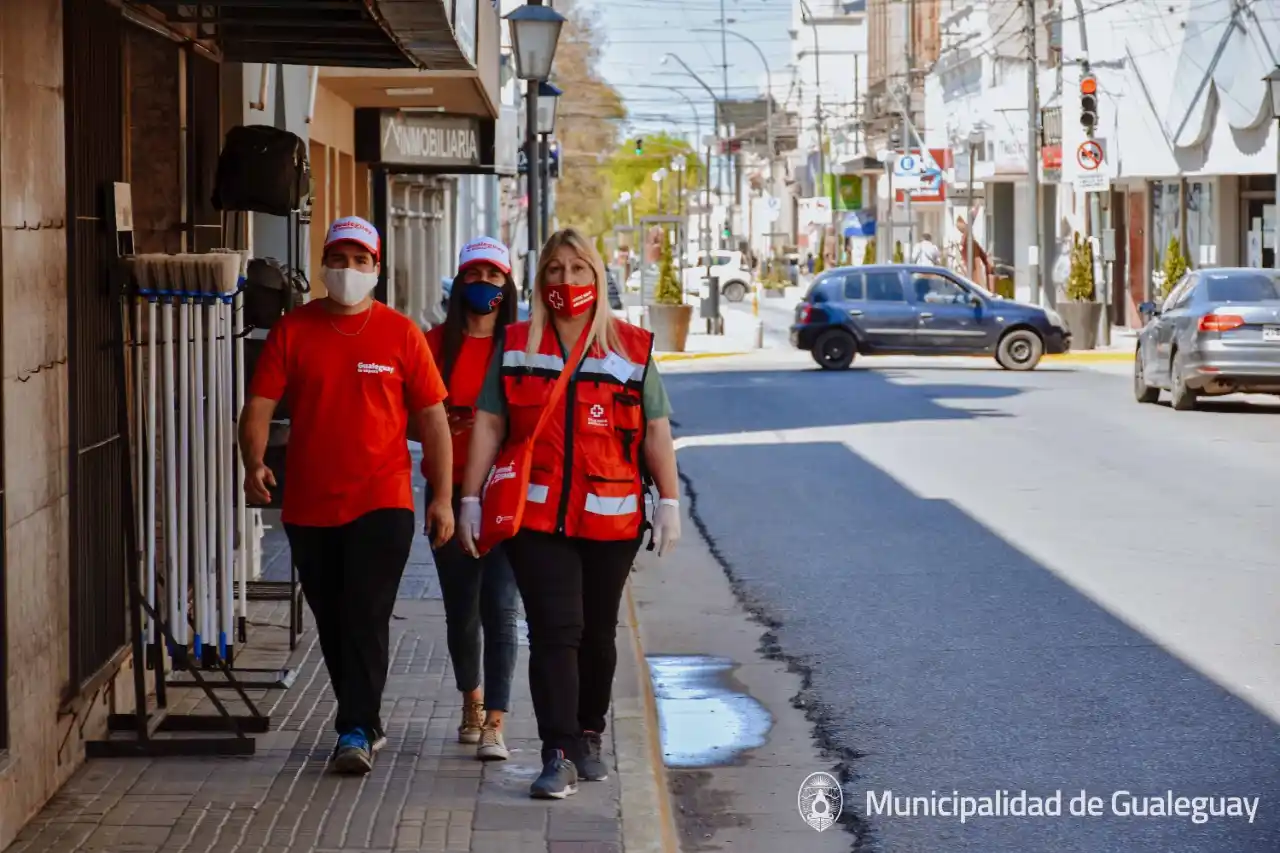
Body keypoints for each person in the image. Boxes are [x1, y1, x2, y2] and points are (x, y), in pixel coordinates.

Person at [458, 228, 682, 800]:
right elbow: (488, 422)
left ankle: (588, 732)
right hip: (536, 522)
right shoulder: (514, 343)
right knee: (556, 632)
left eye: (578, 269)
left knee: (597, 636)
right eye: (555, 271)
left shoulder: (631, 346)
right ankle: (556, 751)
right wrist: (470, 498)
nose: (566, 281)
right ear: (540, 282)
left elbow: (655, 428)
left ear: (596, 277)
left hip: (612, 519)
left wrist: (671, 502)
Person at [238, 215, 455, 776]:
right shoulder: (294, 330)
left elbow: (433, 419)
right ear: (324, 266)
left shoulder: (401, 333)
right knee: (332, 620)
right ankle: (364, 718)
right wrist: (253, 462)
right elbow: (259, 404)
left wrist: (443, 497)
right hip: (309, 507)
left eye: (361, 261)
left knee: (365, 611)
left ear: (376, 269)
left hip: (383, 501)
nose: (349, 270)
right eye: (339, 258)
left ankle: (355, 727)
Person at [424, 237, 521, 762]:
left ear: (507, 285)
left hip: (505, 492)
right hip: (445, 490)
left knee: (502, 609)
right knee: (462, 610)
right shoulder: (434, 343)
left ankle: (497, 724)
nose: (484, 282)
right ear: (459, 281)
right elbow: (417, 414)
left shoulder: (521, 345)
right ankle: (473, 703)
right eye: (474, 272)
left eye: (494, 273)